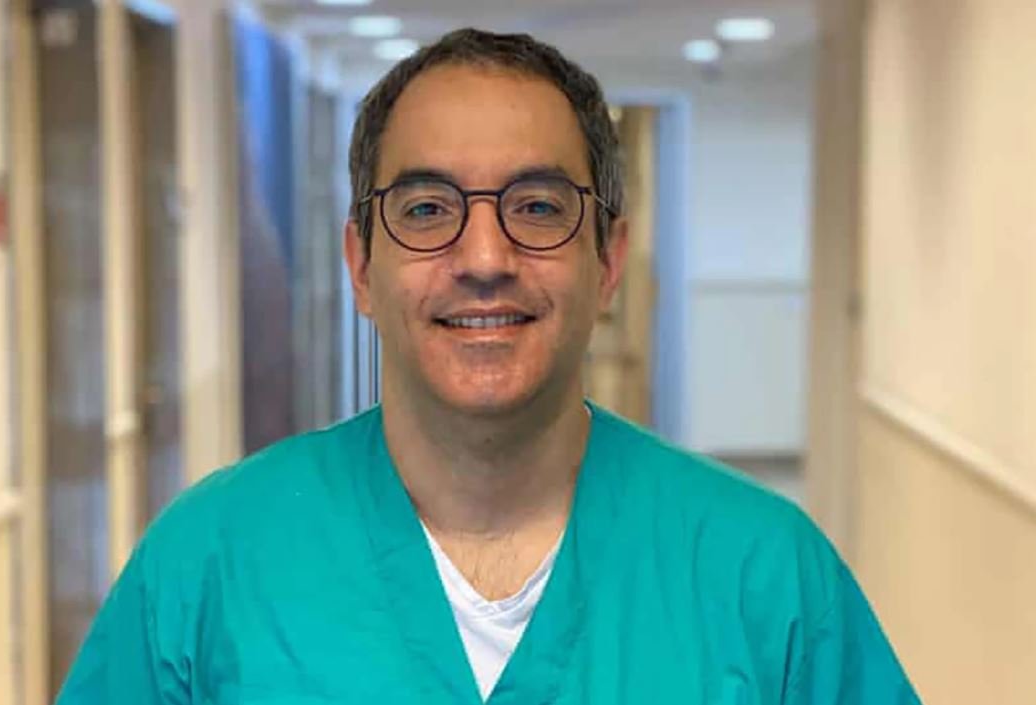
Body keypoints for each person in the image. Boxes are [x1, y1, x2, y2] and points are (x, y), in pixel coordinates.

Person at [56, 27, 921, 705]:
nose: (483, 257)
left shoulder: (764, 577)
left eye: (537, 207)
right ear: (360, 265)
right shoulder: (208, 564)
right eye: (427, 208)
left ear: (608, 261)